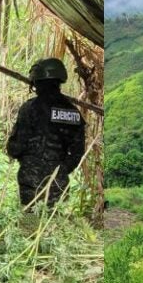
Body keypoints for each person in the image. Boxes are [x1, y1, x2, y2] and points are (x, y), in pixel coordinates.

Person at [7, 58, 86, 206]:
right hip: (58, 183)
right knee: (54, 225)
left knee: (30, 224)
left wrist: (29, 160)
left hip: (31, 185)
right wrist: (60, 170)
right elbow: (77, 153)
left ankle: (31, 226)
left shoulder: (30, 109)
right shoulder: (74, 113)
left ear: (37, 82)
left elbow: (15, 147)